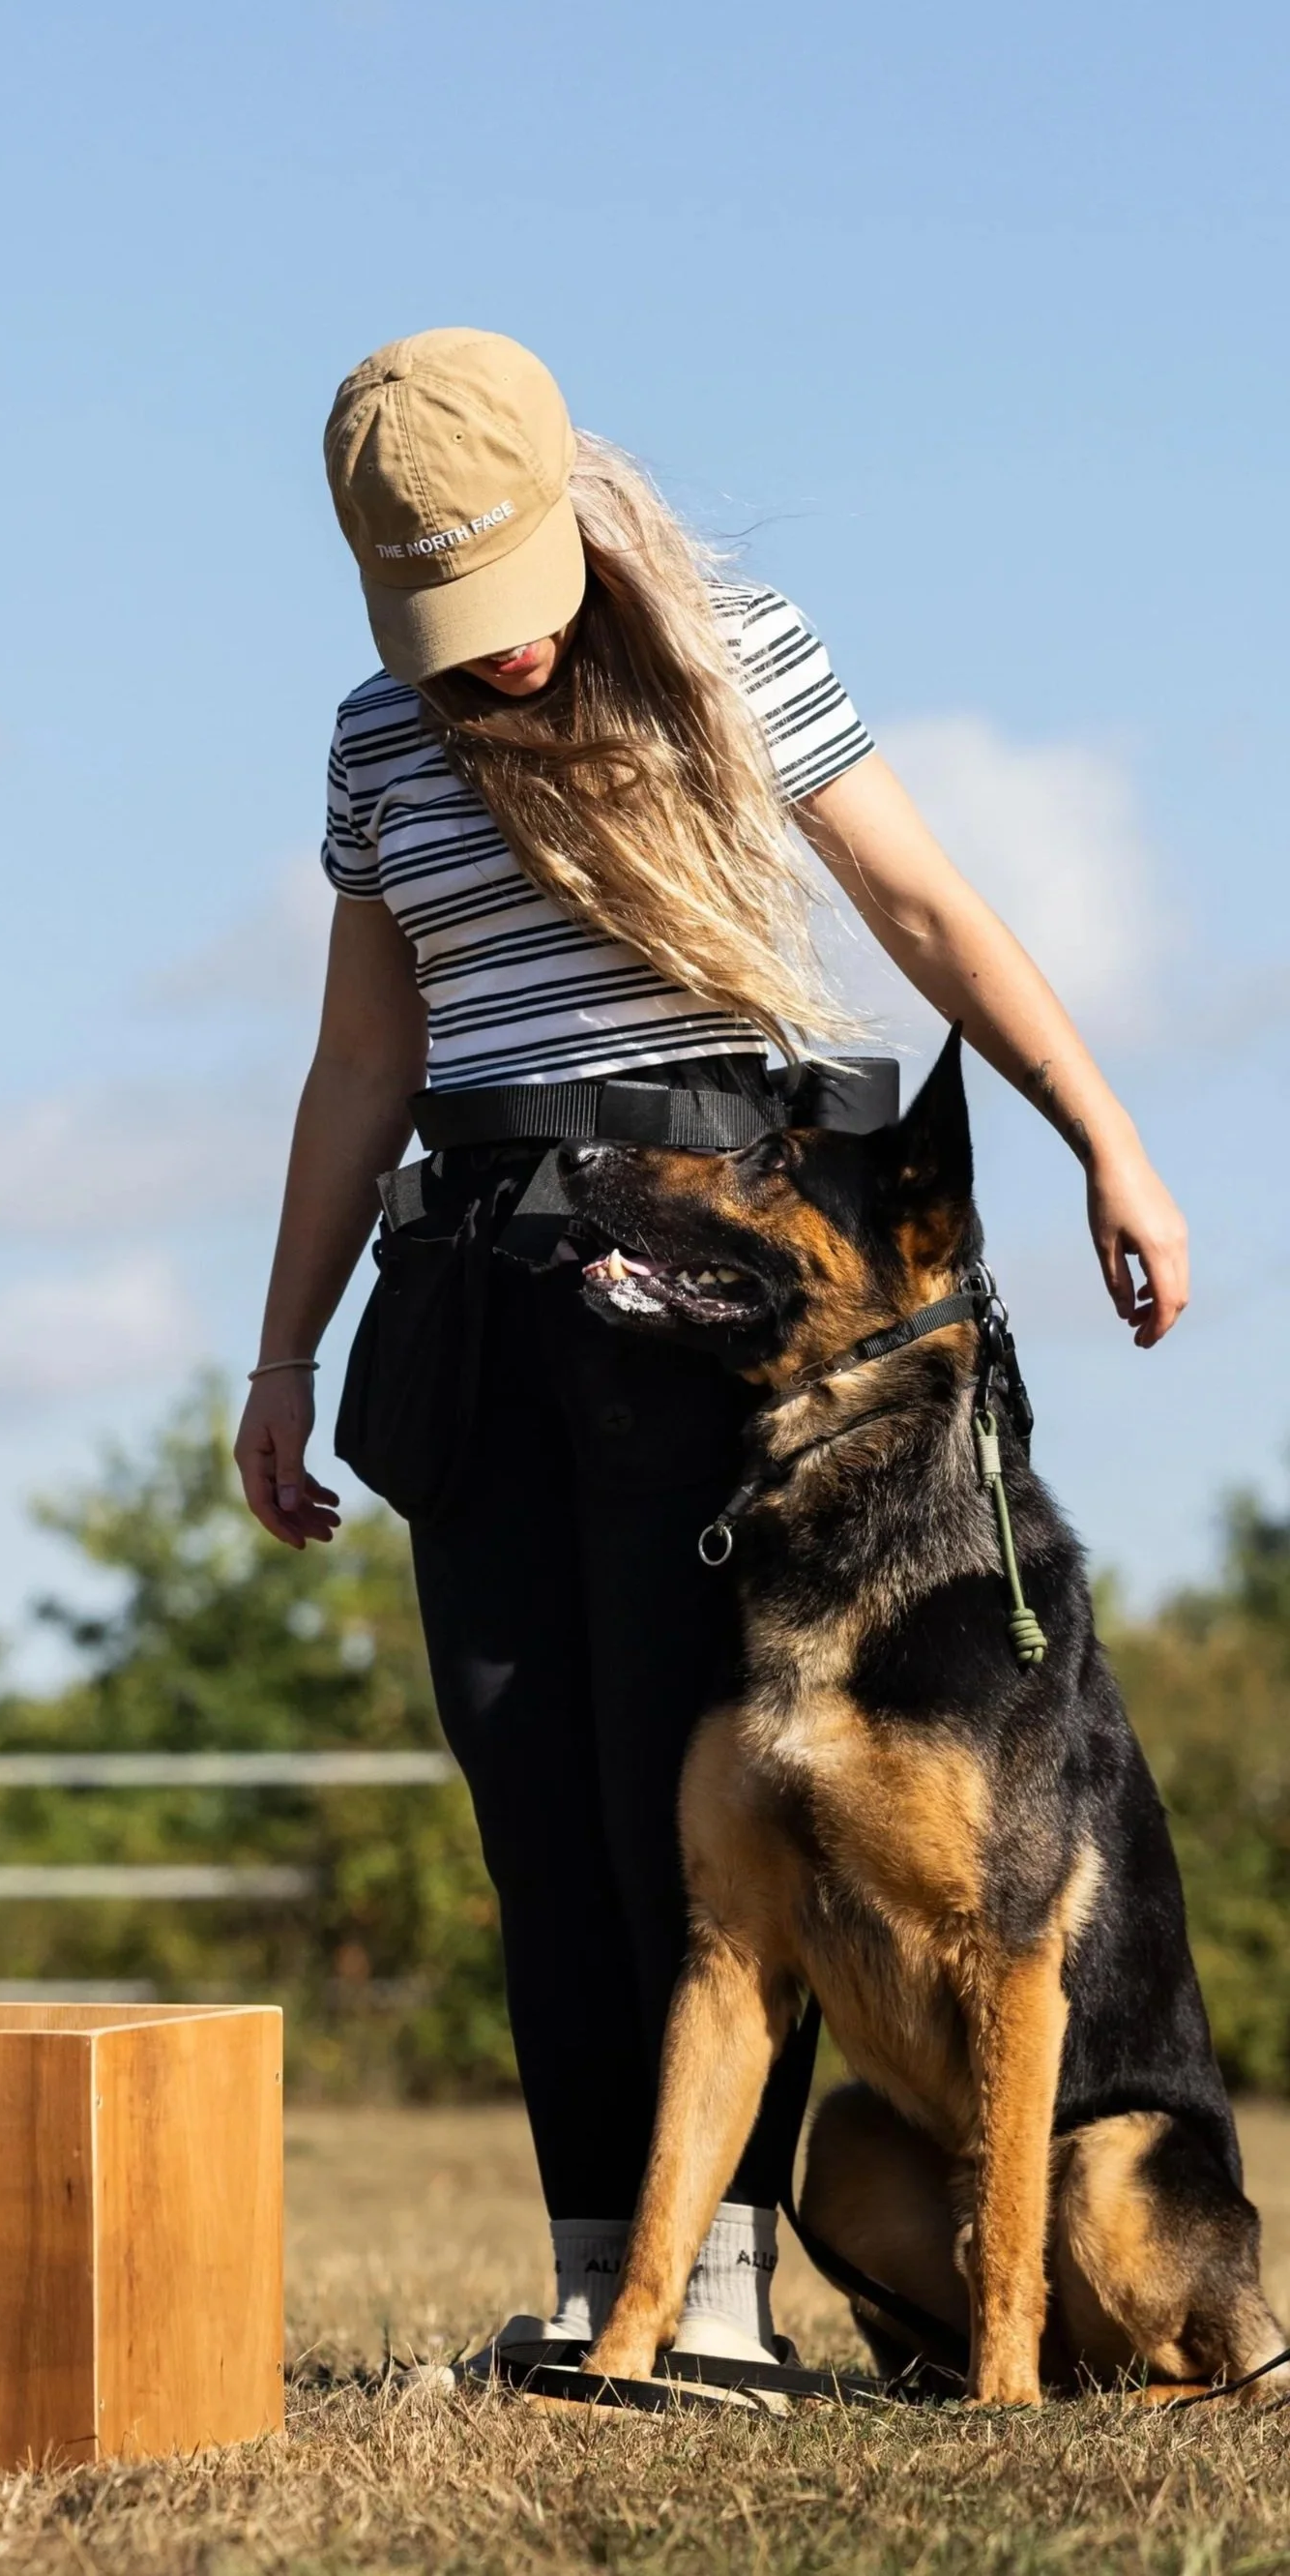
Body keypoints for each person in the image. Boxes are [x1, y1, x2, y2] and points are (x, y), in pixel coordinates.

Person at [235, 328, 1187, 2378]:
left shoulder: (735, 646)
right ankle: (606, 2282)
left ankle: (731, 2298)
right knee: (533, 1818)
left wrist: (1103, 1133)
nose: (486, 657)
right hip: (482, 1302)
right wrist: (281, 1350)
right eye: (439, 623)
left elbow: (923, 906)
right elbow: (359, 1058)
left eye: (501, 605)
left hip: (708, 1311)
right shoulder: (376, 741)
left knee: (680, 1818)